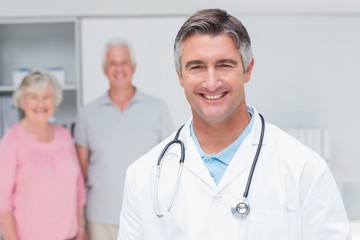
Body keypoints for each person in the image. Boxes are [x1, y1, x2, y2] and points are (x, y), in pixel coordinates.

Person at [117, 8, 351, 240]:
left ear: (247, 70)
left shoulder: (304, 169)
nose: (211, 82)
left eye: (224, 65)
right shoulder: (143, 176)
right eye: (196, 66)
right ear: (180, 75)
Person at [74, 38, 173, 240]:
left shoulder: (157, 109)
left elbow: (169, 166)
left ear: (133, 66)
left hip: (145, 214)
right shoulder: (87, 114)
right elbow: (81, 175)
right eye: (113, 63)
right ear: (104, 69)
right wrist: (80, 224)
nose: (119, 68)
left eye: (124, 62)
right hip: (99, 219)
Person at [0, 71, 86, 240]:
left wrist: (81, 228)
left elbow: (79, 189)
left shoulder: (64, 136)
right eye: (33, 97)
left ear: (55, 101)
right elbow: (3, 203)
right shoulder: (12, 140)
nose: (41, 103)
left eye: (47, 96)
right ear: (22, 102)